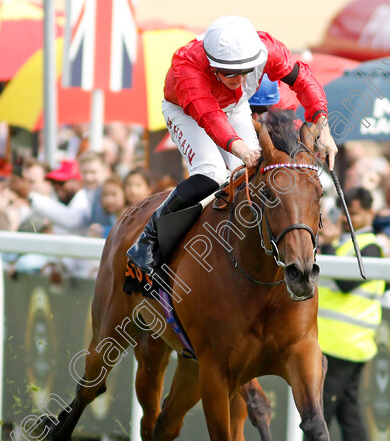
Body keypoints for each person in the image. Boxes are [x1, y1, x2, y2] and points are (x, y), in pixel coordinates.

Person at [126, 15, 337, 275]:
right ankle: (150, 236)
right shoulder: (187, 67)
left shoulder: (268, 48)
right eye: (229, 73)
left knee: (252, 177)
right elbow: (210, 117)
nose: (238, 79)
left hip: (235, 107)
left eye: (245, 72)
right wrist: (240, 147)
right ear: (212, 65)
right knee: (213, 174)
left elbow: (304, 79)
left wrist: (323, 126)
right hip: (187, 112)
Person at [310, 187, 385, 441]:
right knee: (348, 417)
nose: (348, 218)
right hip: (339, 343)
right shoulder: (345, 244)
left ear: (370, 214)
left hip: (344, 344)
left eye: (354, 213)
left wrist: (324, 248)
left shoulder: (371, 247)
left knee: (319, 414)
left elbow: (345, 282)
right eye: (345, 212)